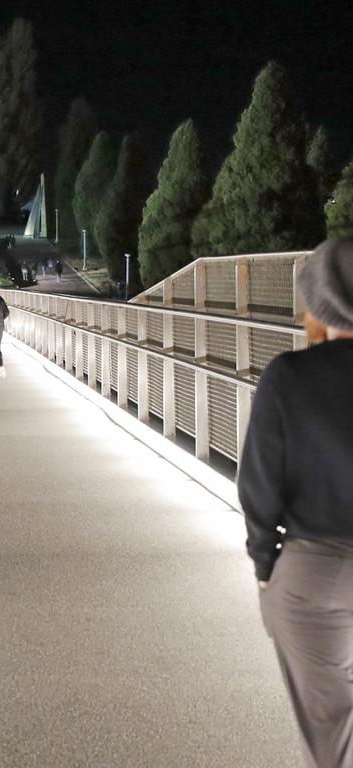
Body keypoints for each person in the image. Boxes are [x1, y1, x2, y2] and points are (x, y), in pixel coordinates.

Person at [240, 239, 353, 767]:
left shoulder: (289, 376)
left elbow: (259, 486)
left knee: (329, 731)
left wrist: (265, 564)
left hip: (315, 574)